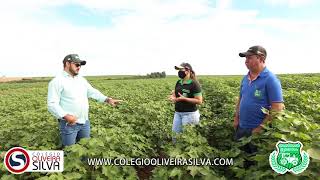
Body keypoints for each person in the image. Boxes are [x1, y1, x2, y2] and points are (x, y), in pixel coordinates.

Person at [47, 54, 122, 147]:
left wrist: (107, 99)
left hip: (84, 122)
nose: (79, 67)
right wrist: (66, 116)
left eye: (80, 65)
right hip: (69, 124)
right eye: (76, 65)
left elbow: (92, 92)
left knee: (85, 149)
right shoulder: (57, 81)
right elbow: (52, 104)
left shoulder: (81, 80)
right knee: (70, 152)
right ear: (67, 64)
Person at [234, 45, 284, 153]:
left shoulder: (271, 79)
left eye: (249, 57)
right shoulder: (245, 78)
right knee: (240, 158)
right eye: (245, 58)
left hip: (257, 131)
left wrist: (260, 128)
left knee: (254, 161)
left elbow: (277, 108)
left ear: (261, 58)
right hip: (241, 127)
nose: (246, 61)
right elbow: (240, 99)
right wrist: (236, 118)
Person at [169, 63, 203, 135]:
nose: (179, 71)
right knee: (175, 136)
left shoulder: (194, 84)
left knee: (187, 137)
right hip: (178, 113)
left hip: (189, 114)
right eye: (178, 70)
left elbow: (199, 101)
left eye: (181, 69)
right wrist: (173, 97)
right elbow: (175, 94)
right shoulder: (179, 82)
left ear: (187, 71)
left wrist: (185, 99)